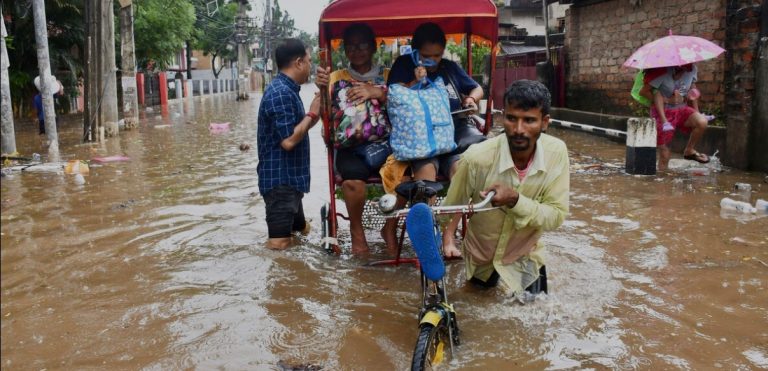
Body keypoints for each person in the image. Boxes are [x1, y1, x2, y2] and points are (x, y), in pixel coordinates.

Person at [440, 79, 569, 295]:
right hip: (482, 255)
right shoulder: (476, 158)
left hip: (525, 253)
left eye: (529, 121)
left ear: (545, 122)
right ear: (503, 117)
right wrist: (446, 236)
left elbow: (555, 216)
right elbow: (453, 205)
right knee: (477, 311)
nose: (519, 130)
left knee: (534, 317)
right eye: (511, 119)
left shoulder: (556, 154)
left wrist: (514, 200)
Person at [315, 23, 393, 254]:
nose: (357, 50)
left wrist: (379, 92)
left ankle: (389, 228)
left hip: (387, 143)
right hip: (350, 146)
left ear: (373, 47)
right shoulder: (334, 78)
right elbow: (326, 115)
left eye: (362, 45)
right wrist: (322, 91)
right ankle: (357, 232)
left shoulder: (389, 76)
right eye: (351, 46)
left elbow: (405, 107)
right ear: (345, 50)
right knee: (352, 181)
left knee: (409, 173)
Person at [386, 22, 485, 184]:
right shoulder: (403, 65)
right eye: (426, 56)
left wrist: (471, 100)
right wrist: (415, 82)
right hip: (420, 141)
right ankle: (424, 208)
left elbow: (477, 88)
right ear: (414, 51)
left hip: (453, 138)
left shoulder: (449, 68)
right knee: (425, 180)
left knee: (460, 173)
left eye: (437, 56)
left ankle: (458, 208)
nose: (432, 61)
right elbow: (393, 96)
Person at [257, 38, 321, 250]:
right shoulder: (281, 93)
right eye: (309, 61)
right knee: (279, 244)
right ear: (299, 62)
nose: (310, 66)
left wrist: (314, 113)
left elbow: (299, 129)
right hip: (280, 181)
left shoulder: (288, 90)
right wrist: (311, 112)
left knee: (299, 234)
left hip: (291, 180)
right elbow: (289, 141)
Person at [648, 63, 710, 170]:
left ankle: (689, 150)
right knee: (665, 154)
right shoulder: (661, 70)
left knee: (702, 122)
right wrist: (667, 100)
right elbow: (644, 91)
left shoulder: (692, 68)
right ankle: (662, 181)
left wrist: (697, 111)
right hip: (663, 113)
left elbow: (692, 88)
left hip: (682, 110)